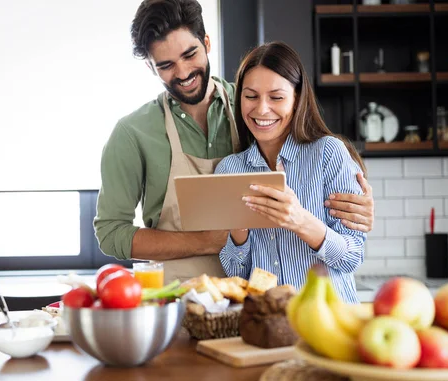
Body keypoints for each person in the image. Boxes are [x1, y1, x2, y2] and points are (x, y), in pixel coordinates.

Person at [93, 0, 374, 284]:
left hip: (249, 304)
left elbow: (315, 156)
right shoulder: (132, 133)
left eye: (190, 54)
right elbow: (110, 233)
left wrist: (355, 210)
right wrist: (208, 241)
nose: (183, 73)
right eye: (165, 65)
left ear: (206, 42)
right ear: (150, 67)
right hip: (175, 298)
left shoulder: (253, 108)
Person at [216, 41, 365, 303]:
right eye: (251, 96)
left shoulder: (328, 154)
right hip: (266, 325)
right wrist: (239, 233)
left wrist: (299, 220)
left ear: (297, 100)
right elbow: (234, 272)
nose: (261, 109)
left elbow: (352, 256)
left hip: (327, 323)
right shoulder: (229, 170)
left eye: (276, 97)